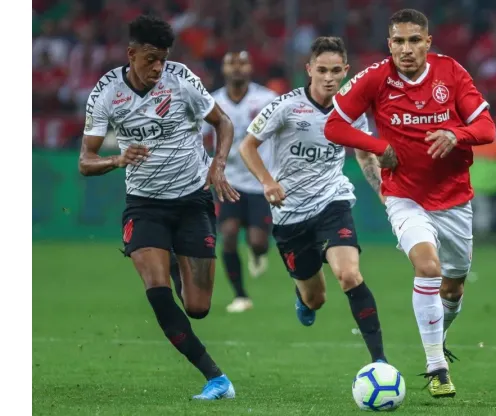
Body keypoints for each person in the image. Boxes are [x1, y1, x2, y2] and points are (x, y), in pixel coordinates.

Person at [324, 9, 496, 398]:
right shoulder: (374, 78)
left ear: (427, 42)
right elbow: (334, 125)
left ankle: (437, 334)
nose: (406, 49)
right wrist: (377, 146)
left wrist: (456, 134)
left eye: (414, 40)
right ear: (389, 44)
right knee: (427, 266)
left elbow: (486, 128)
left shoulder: (451, 73)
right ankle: (436, 367)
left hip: (454, 199)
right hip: (405, 196)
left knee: (452, 289)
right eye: (398, 41)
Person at [77, 15, 239, 400]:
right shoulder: (106, 93)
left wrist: (217, 164)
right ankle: (216, 378)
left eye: (162, 59)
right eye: (150, 58)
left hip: (192, 199)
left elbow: (224, 123)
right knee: (158, 290)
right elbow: (86, 160)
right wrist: (117, 159)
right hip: (145, 205)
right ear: (131, 53)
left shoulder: (181, 80)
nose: (157, 68)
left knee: (198, 307)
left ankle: (172, 260)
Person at [239, 37, 387, 364]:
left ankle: (380, 362)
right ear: (309, 70)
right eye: (322, 70)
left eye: (336, 70)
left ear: (346, 71)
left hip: (332, 202)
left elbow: (364, 155)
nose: (329, 77)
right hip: (289, 214)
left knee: (349, 275)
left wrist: (384, 195)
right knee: (315, 299)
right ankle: (303, 298)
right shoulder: (286, 106)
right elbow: (247, 146)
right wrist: (267, 182)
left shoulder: (352, 110)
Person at [204, 51, 278, 313]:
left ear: (250, 68)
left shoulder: (267, 99)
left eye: (242, 63)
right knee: (229, 234)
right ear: (223, 70)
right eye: (231, 64)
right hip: (229, 183)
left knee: (258, 241)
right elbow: (200, 137)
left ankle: (258, 254)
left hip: (260, 183)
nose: (237, 69)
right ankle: (240, 296)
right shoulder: (212, 102)